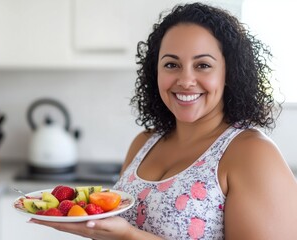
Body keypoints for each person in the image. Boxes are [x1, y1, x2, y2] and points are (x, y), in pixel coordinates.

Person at [29, 2, 297, 239]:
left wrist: (129, 237)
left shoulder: (252, 153)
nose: (185, 80)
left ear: (229, 73)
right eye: (171, 64)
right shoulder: (144, 143)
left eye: (203, 65)